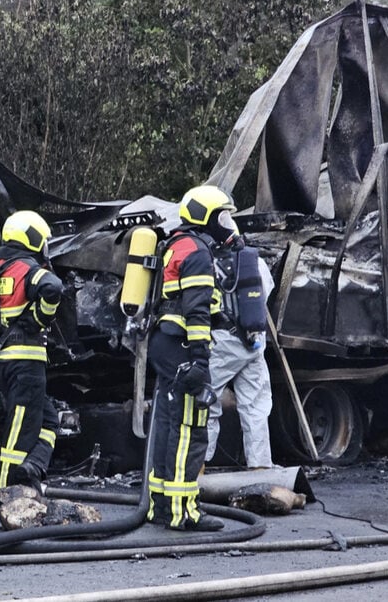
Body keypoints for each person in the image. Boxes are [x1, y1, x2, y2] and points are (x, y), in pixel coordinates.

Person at [146, 185, 238, 532]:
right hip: (183, 347)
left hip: (165, 344)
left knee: (170, 425)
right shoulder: (197, 252)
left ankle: (161, 507)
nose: (226, 224)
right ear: (206, 217)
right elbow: (195, 311)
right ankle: (184, 511)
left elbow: (180, 300)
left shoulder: (175, 245)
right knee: (190, 429)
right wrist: (200, 361)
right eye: (222, 217)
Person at [0, 210, 63, 491]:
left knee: (48, 419)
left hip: (4, 359)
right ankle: (8, 488)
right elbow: (53, 286)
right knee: (20, 425)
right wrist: (39, 319)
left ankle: (33, 467)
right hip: (26, 361)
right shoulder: (25, 268)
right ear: (31, 237)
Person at [205, 243, 276, 469]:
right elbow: (266, 292)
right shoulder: (254, 260)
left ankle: (197, 468)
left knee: (204, 403)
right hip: (253, 340)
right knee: (255, 406)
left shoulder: (208, 261)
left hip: (223, 341)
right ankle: (260, 467)